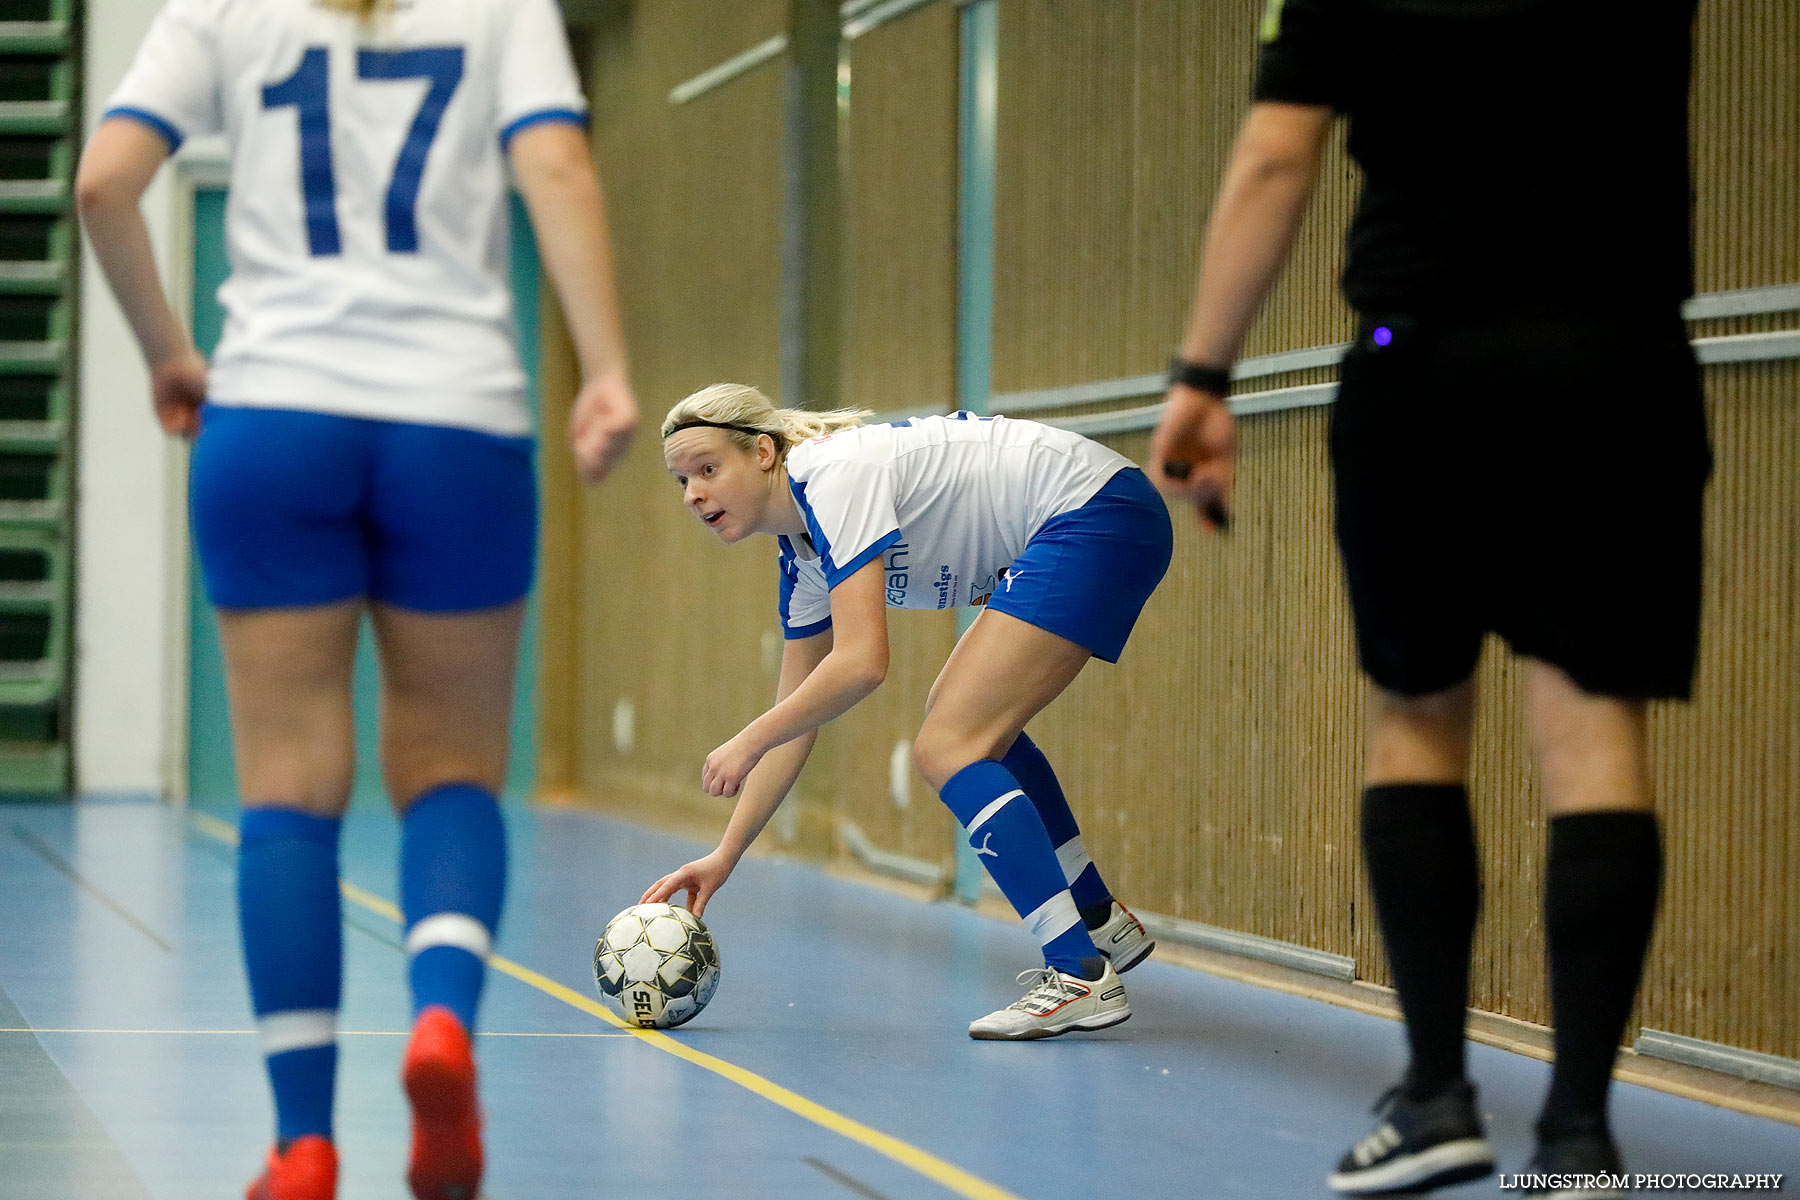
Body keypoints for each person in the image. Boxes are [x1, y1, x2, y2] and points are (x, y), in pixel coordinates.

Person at [76, 0, 638, 1194]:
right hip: (457, 422)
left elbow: (103, 184)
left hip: (273, 415)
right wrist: (606, 368)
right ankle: (438, 1020)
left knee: (287, 787)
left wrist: (168, 351)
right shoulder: (501, 8)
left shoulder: (223, 8)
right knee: (447, 768)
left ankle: (303, 1143)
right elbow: (553, 159)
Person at [1149, 0, 1706, 1195]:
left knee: (1415, 718)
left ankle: (1439, 1093)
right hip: (1620, 365)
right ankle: (1576, 1138)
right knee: (1595, 734)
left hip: (1426, 367)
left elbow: (1274, 155)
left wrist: (1202, 373)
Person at [642, 385, 1171, 1040]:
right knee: (970, 733)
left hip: (1093, 512)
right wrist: (725, 854)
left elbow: (862, 663)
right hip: (1095, 516)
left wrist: (746, 739)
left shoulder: (832, 476)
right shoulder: (803, 558)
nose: (693, 492)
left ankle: (1079, 973)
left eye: (707, 468)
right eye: (681, 479)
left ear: (763, 453)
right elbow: (795, 720)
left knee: (947, 745)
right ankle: (1097, 920)